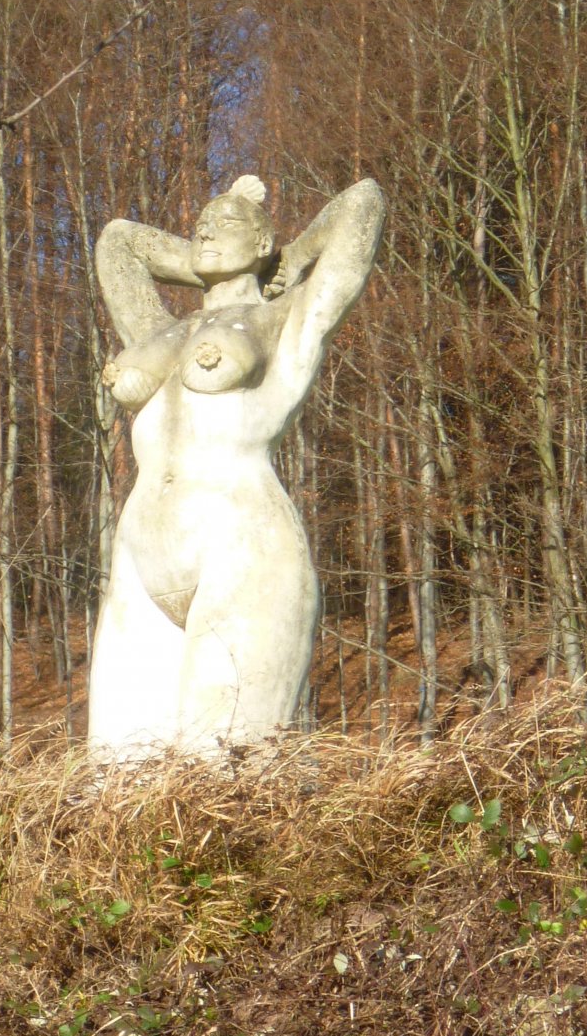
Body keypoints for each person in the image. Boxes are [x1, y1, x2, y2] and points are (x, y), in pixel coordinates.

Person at [88, 174, 385, 758]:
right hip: (140, 557)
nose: (204, 231)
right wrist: (211, 256)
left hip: (242, 548)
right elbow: (119, 243)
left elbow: (362, 203)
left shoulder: (287, 318)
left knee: (225, 772)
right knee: (114, 782)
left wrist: (286, 258)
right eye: (200, 225)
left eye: (223, 225)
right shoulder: (160, 330)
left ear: (260, 240)